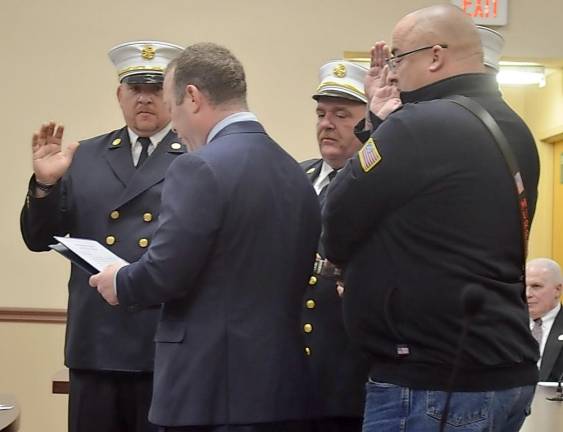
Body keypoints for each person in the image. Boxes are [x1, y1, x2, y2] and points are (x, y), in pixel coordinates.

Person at [322, 4, 540, 431]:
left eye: (399, 59)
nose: (392, 75)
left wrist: (380, 123)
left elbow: (337, 219)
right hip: (500, 366)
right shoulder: (514, 125)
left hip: (432, 382)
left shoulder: (418, 125)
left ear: (436, 56)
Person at [90, 42, 321, 432]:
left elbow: (166, 271)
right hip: (282, 389)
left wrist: (121, 281)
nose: (175, 125)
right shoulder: (295, 172)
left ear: (193, 97)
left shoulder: (198, 168)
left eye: (173, 107)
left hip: (208, 391)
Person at [20, 40, 185, 432]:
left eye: (156, 89)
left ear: (174, 96)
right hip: (96, 340)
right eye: (135, 89)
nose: (145, 100)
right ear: (119, 95)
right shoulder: (84, 155)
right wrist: (45, 186)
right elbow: (39, 238)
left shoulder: (195, 156)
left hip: (159, 340)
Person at [300, 60, 371, 432]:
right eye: (321, 113)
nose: (327, 123)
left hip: (347, 371)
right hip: (290, 374)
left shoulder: (380, 182)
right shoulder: (298, 175)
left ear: (368, 121)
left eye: (342, 115)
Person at [526, 258, 563, 382]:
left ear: (557, 290)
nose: (527, 294)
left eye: (536, 286)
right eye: (523, 286)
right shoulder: (507, 326)